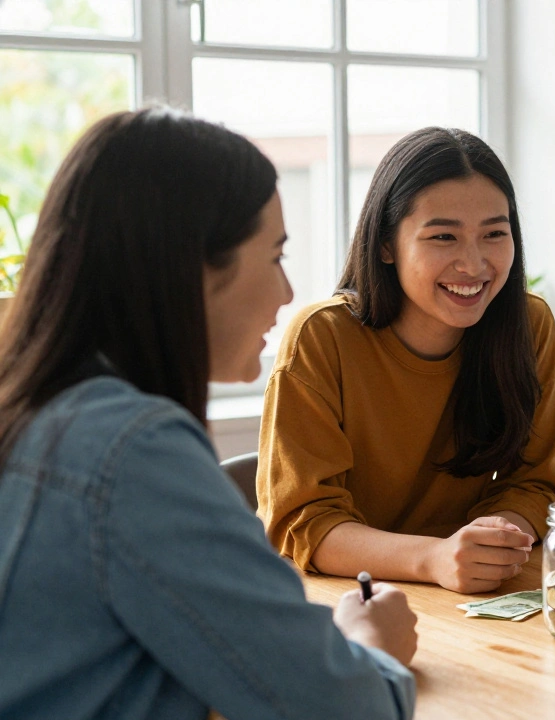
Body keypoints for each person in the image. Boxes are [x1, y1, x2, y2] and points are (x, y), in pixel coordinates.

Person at [0, 108, 418, 719]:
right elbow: (346, 708)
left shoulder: (38, 415)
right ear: (194, 265)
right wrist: (369, 645)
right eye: (274, 256)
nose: (285, 292)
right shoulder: (132, 450)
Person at [258, 127, 555, 594]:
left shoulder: (529, 326)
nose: (473, 263)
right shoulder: (322, 337)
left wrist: (487, 543)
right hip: (350, 597)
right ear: (386, 244)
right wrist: (434, 558)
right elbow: (303, 522)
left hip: (472, 593)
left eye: (494, 233)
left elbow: (539, 485)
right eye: (443, 236)